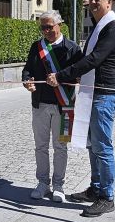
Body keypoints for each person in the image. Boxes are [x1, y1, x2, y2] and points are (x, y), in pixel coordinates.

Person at [47, 0, 115, 218]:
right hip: (94, 94)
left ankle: (107, 197)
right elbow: (84, 57)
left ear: (109, 3)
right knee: (93, 145)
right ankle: (96, 189)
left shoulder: (113, 26)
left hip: (104, 96)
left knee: (102, 147)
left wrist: (61, 76)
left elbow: (94, 59)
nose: (92, 2)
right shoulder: (100, 26)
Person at [22, 11, 83, 201]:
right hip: (39, 104)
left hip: (64, 106)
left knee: (61, 146)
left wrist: (63, 79)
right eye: (43, 27)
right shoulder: (36, 46)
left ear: (60, 25)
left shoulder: (72, 48)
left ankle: (58, 185)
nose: (46, 30)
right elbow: (27, 69)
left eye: (50, 26)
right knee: (40, 146)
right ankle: (42, 183)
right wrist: (27, 81)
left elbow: (80, 76)